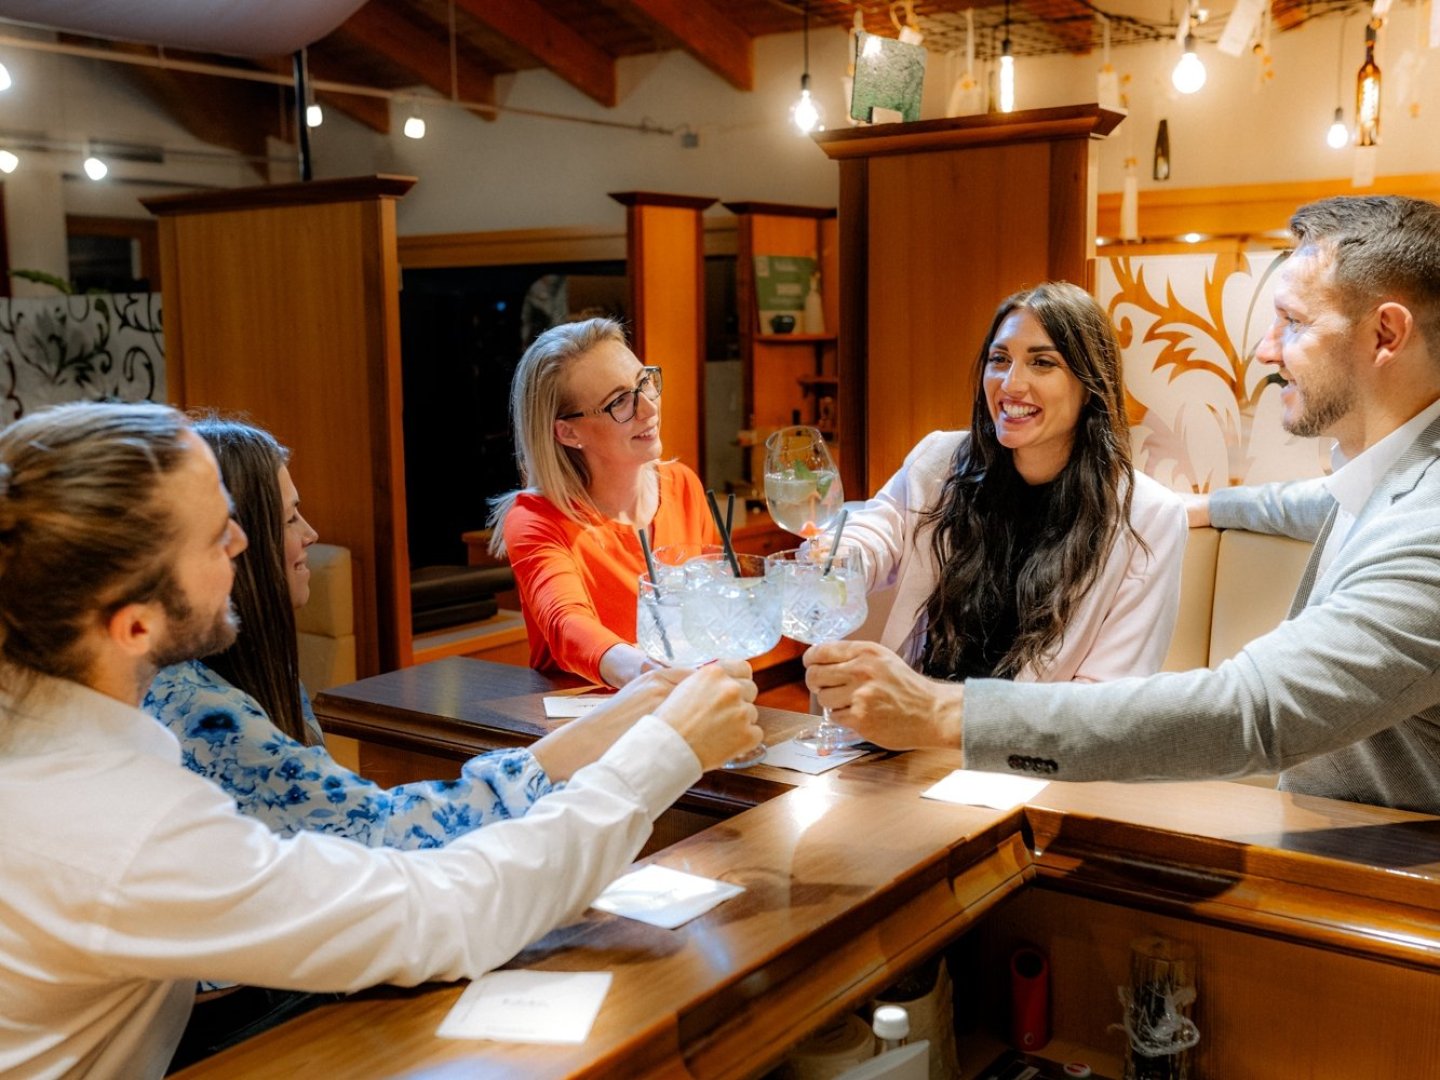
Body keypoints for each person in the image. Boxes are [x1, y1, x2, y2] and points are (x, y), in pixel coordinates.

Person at [0, 401, 761, 1078]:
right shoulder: (115, 826)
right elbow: (445, 912)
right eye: (213, 534)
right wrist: (664, 753)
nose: (242, 541)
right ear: (132, 625)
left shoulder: (70, 749)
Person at [805, 195, 1440, 816]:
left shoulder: (1426, 526)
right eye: (999, 360)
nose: (1266, 350)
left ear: (1385, 334)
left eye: (1294, 322)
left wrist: (937, 711)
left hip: (1397, 871)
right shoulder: (1379, 483)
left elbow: (1255, 711)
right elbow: (1308, 503)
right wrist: (1217, 505)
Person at [839, 281, 1187, 684]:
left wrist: (944, 714)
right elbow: (877, 531)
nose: (1010, 383)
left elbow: (1106, 699)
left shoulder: (1149, 517)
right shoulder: (940, 460)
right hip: (913, 729)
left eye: (1042, 363)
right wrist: (832, 561)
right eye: (999, 359)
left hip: (1032, 742)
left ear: (1090, 383)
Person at [488, 317, 720, 687]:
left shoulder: (683, 486)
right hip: (591, 727)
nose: (648, 408)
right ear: (567, 431)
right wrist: (648, 673)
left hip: (693, 707)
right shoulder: (537, 518)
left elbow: (717, 608)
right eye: (619, 402)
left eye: (645, 383)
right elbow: (567, 625)